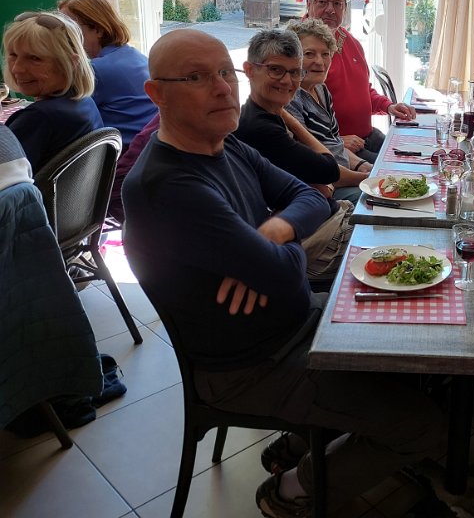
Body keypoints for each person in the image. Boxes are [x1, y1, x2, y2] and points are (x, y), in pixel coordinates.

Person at [122, 29, 443, 516]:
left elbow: (312, 195)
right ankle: (293, 490)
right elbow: (285, 270)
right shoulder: (169, 186)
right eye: (196, 77)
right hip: (251, 365)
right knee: (426, 425)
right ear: (157, 93)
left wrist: (271, 233)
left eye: (224, 73)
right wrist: (277, 256)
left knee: (420, 347)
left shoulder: (224, 144)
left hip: (297, 322)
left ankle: (301, 441)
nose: (222, 88)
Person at [235, 27, 368, 207]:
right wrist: (290, 119)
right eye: (275, 70)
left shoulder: (268, 113)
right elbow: (328, 169)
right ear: (249, 70)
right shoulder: (260, 127)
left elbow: (328, 158)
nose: (286, 81)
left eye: (295, 72)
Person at [305, 0, 416, 154]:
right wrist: (335, 141)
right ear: (308, 3)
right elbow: (291, 113)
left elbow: (364, 91)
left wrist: (389, 106)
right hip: (338, 147)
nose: (330, 10)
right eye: (322, 2)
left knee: (414, 154)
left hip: (367, 136)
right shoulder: (299, 46)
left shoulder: (351, 42)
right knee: (394, 169)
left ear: (345, 8)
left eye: (337, 4)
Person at [3, 11, 103, 171]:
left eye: (34, 58)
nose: (17, 68)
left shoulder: (38, 118)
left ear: (71, 63)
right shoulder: (84, 103)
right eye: (13, 55)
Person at [58, 0, 156, 147]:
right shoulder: (133, 55)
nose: (62, 38)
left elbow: (60, 117)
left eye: (70, 30)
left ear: (98, 30)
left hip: (124, 154)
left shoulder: (96, 69)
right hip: (148, 147)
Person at [284, 18, 378, 178]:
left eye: (325, 54)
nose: (319, 62)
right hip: (327, 182)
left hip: (346, 170)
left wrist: (362, 165)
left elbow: (335, 144)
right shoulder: (290, 98)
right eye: (309, 54)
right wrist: (364, 178)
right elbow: (311, 161)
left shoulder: (321, 89)